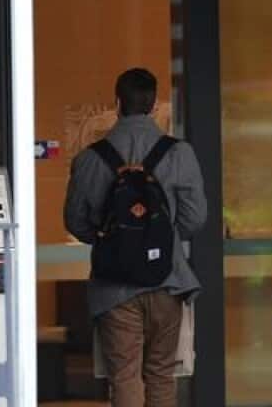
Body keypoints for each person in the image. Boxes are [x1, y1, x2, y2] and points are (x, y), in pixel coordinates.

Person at [64, 68, 207, 407]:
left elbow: (75, 221)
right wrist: (163, 236)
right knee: (161, 374)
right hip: (167, 280)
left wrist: (109, 240)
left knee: (125, 376)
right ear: (154, 104)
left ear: (117, 103)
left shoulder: (89, 159)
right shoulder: (179, 153)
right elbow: (195, 218)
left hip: (115, 287)